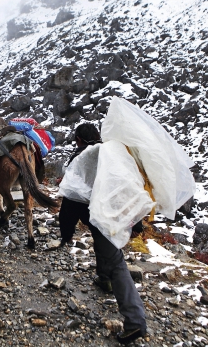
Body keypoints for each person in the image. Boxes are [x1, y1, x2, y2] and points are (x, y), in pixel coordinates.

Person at [59, 123, 147, 345]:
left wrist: (66, 232)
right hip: (120, 215)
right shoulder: (112, 153)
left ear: (78, 139)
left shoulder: (79, 161)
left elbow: (71, 201)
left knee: (116, 262)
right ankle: (104, 279)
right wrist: (137, 224)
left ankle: (135, 321)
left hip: (101, 219)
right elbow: (128, 188)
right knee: (103, 247)